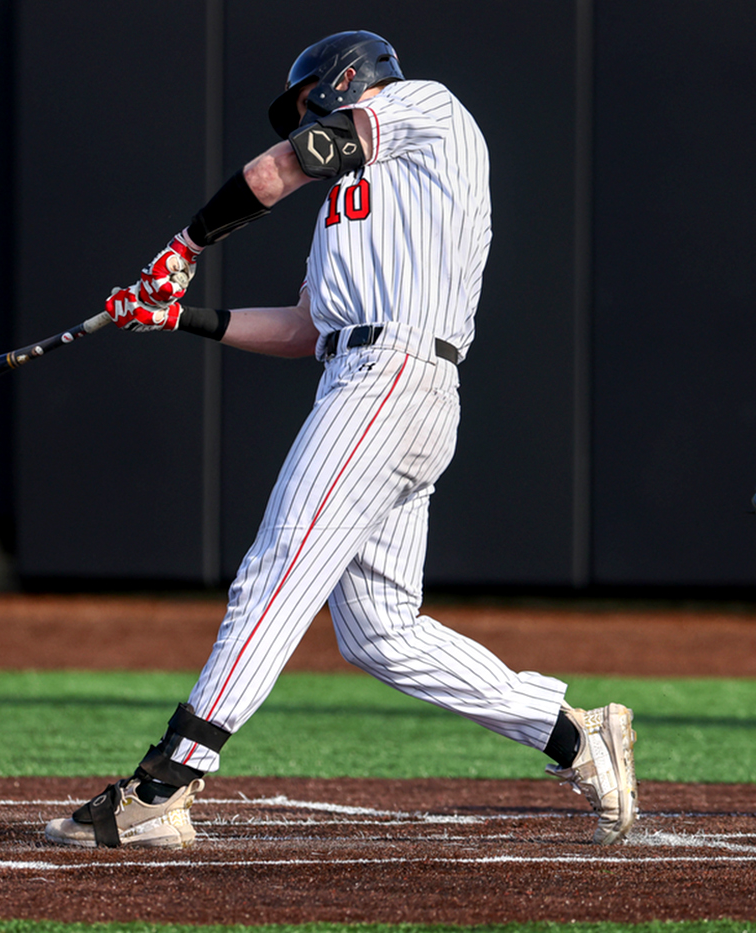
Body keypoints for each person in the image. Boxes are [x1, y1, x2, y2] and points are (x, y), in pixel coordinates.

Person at [42, 30, 636, 849]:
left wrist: (185, 246)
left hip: (392, 377)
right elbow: (301, 329)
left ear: (345, 78)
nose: (301, 117)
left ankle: (164, 782)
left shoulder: (426, 107)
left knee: (275, 571)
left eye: (306, 101)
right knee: (378, 628)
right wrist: (176, 315)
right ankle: (574, 735)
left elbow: (285, 164)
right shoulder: (351, 211)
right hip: (376, 379)